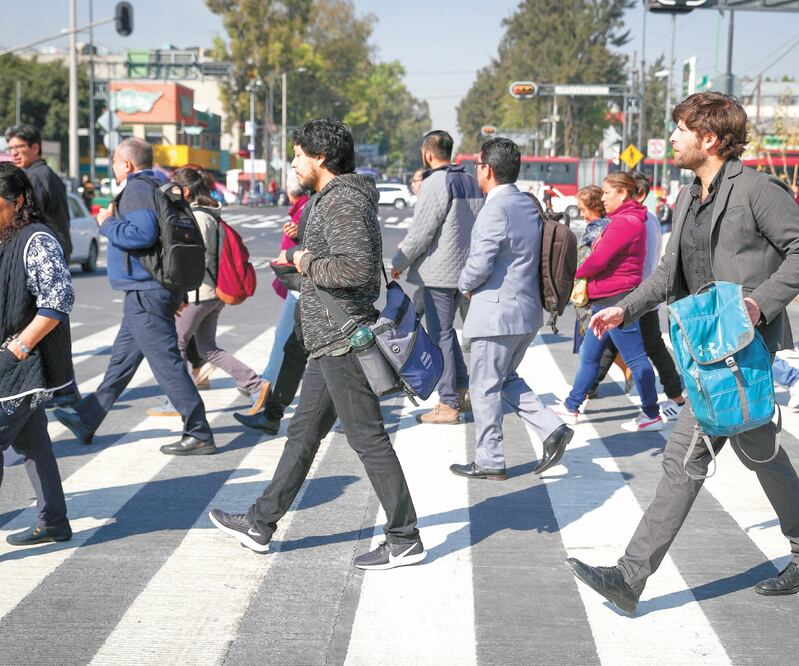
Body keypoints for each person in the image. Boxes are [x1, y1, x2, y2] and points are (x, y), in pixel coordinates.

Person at [567, 92, 799, 613]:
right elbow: (666, 276)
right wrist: (624, 310)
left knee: (683, 460)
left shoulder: (758, 189)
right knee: (761, 453)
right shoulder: (689, 197)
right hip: (700, 345)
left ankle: (628, 578)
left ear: (710, 138)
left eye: (679, 129)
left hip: (738, 353)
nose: (672, 138)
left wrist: (759, 305)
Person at [209, 118, 425, 570]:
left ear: (320, 157)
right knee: (302, 434)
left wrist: (300, 258)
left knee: (368, 439)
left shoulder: (342, 200)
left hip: (343, 339)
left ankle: (404, 536)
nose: (293, 162)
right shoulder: (334, 198)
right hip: (328, 338)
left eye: (298, 153)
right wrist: (299, 265)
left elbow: (356, 270)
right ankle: (260, 523)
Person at [53, 138, 216, 456]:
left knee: (167, 363)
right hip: (149, 290)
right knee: (121, 362)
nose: (113, 167)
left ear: (126, 164)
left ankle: (199, 432)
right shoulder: (156, 185)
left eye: (114, 161)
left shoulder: (137, 190)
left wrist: (107, 223)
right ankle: (87, 418)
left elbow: (142, 234)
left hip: (146, 292)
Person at [449, 138, 573, 480]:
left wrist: (464, 285)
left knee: (484, 387)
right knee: (503, 379)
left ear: (487, 169)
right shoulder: (526, 203)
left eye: (477, 165)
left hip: (496, 314)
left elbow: (480, 262)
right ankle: (552, 429)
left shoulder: (495, 208)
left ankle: (490, 460)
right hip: (525, 311)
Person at [147, 167, 270, 418]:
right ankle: (255, 384)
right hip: (211, 293)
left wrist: (178, 289)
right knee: (207, 348)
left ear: (187, 191)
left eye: (175, 189)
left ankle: (179, 401)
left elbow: (195, 259)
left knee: (177, 342)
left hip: (199, 293)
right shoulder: (210, 214)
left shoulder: (199, 217)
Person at [0, 162, 74, 546]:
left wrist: (20, 346)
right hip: (14, 364)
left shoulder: (36, 239)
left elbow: (58, 299)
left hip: (23, 364)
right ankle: (54, 520)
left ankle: (53, 519)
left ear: (19, 202)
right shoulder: (4, 237)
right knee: (33, 443)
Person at [555, 172, 663, 432]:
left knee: (636, 358)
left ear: (622, 193)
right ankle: (571, 405)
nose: (602, 198)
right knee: (590, 355)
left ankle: (651, 413)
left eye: (606, 192)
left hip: (617, 299)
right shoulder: (626, 219)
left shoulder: (625, 222)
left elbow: (599, 259)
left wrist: (573, 272)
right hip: (607, 299)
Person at [390, 130, 483, 424]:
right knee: (446, 333)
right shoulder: (469, 179)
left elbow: (421, 232)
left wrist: (399, 261)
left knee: (440, 335)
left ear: (427, 154)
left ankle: (448, 403)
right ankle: (461, 387)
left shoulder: (435, 182)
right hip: (466, 271)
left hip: (440, 274)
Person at [589, 174, 686, 419]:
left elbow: (634, 262)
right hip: (640, 294)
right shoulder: (646, 219)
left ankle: (672, 398)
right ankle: (586, 391)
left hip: (636, 295)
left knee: (646, 348)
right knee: (613, 345)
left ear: (637, 195)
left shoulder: (638, 220)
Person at [6, 123, 80, 409]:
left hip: (40, 258)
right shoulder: (43, 174)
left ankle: (63, 392)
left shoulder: (34, 178)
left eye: (20, 147)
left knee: (41, 320)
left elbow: (20, 220)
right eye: (11, 148)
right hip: (49, 255)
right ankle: (65, 393)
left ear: (35, 147)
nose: (14, 153)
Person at [259, 171, 309, 390]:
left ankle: (265, 391)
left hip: (301, 284)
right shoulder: (306, 206)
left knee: (284, 339)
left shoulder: (308, 207)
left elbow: (313, 245)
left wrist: (291, 249)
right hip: (301, 283)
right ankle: (267, 395)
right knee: (290, 341)